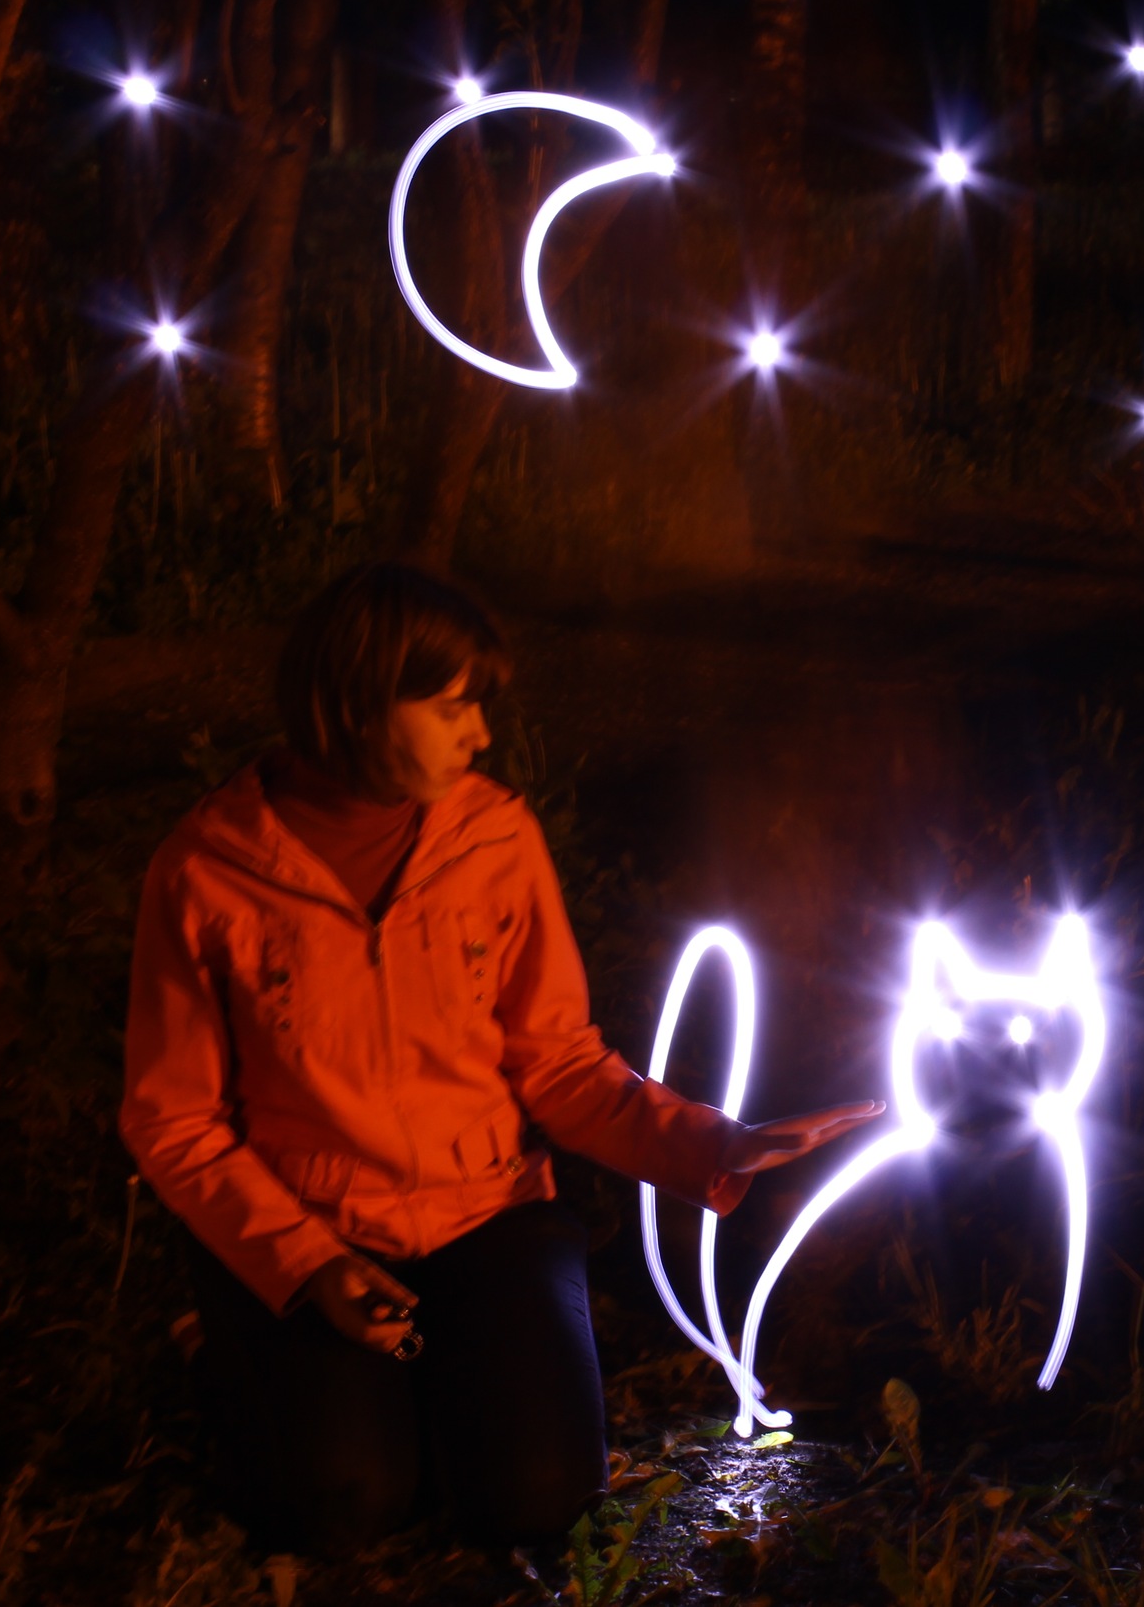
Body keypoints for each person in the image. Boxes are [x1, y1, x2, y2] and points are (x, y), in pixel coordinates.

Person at [120, 563, 880, 1559]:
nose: (480, 734)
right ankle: (236, 1344)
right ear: (354, 704)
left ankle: (422, 1373)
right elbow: (172, 1118)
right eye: (451, 707)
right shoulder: (209, 871)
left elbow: (556, 1060)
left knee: (537, 1497)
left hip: (484, 1213)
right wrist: (306, 1264)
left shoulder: (492, 838)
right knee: (343, 1505)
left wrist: (714, 1143)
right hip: (315, 1225)